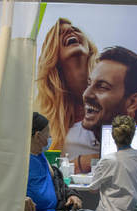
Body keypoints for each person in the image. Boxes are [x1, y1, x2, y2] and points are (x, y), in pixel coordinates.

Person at [71, 46, 137, 173]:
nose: (86, 94)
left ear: (132, 102)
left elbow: (96, 183)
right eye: (89, 84)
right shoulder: (72, 138)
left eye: (102, 87)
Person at [36, 18, 98, 154]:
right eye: (60, 33)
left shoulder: (119, 91)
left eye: (75, 29)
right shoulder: (47, 119)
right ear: (53, 53)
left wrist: (83, 162)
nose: (70, 31)